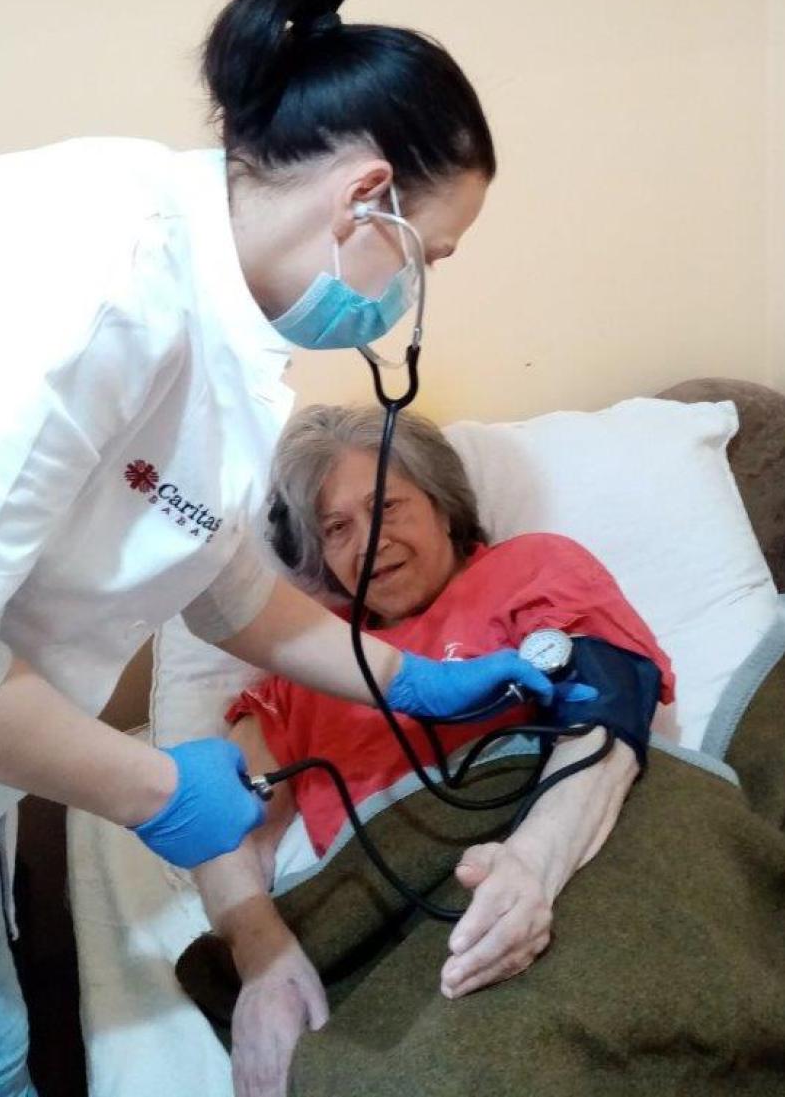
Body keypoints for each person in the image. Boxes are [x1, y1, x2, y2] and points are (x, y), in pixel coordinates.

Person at [0, 0, 564, 1096]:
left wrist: (403, 678)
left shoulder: (217, 318)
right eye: (433, 256)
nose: (419, 295)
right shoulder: (95, 277)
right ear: (370, 198)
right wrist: (160, 792)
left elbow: (217, 577)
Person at [190, 404, 673, 1097]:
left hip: (567, 866)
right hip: (413, 932)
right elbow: (226, 830)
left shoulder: (530, 566)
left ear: (444, 506)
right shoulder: (303, 662)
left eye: (386, 505)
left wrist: (532, 863)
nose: (367, 542)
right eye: (335, 528)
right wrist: (261, 958)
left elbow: (608, 712)